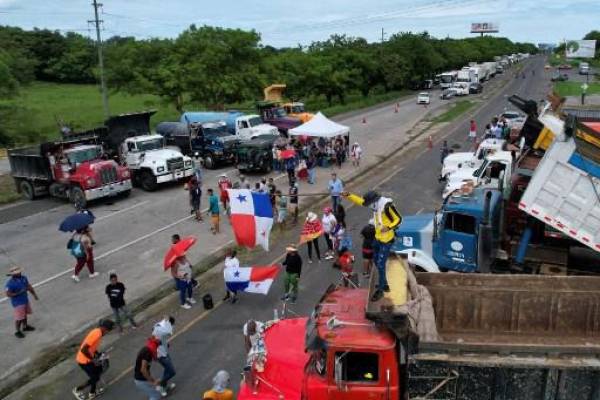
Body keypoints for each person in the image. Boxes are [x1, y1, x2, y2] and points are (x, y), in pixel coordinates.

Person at [343, 190, 402, 302]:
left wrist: (389, 227)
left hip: (386, 240)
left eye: (369, 203)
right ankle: (383, 283)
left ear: (375, 201)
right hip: (378, 238)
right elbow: (361, 201)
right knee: (375, 260)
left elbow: (399, 219)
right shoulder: (374, 205)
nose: (368, 206)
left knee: (380, 265)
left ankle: (381, 290)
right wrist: (349, 195)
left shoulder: (387, 206)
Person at [73, 319, 115, 399]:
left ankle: (92, 393)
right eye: (108, 330)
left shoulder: (98, 332)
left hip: (88, 359)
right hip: (84, 361)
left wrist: (98, 354)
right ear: (104, 328)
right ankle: (77, 390)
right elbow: (84, 349)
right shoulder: (97, 334)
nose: (107, 332)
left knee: (96, 375)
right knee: (95, 377)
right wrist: (93, 360)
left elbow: (92, 347)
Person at [5, 266, 38, 339]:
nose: (20, 273)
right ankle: (17, 331)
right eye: (17, 273)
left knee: (24, 315)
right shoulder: (10, 284)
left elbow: (28, 286)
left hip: (25, 300)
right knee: (19, 318)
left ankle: (25, 326)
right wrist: (19, 293)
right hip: (18, 303)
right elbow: (8, 294)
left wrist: (34, 294)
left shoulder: (23, 278)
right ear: (13, 275)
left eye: (19, 271)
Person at [152, 316, 177, 396]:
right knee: (172, 372)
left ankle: (164, 386)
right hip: (160, 355)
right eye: (171, 325)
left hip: (164, 352)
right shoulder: (162, 329)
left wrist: (165, 343)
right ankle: (160, 384)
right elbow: (167, 333)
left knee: (167, 369)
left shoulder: (159, 326)